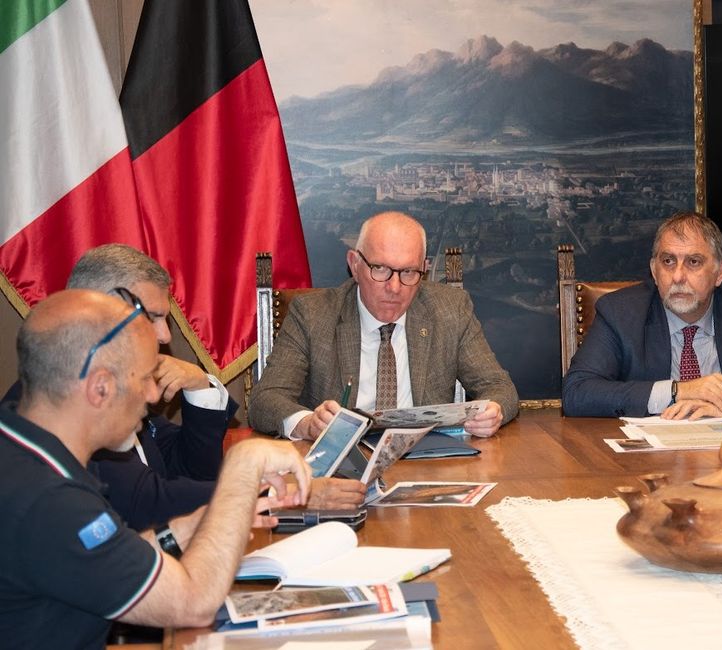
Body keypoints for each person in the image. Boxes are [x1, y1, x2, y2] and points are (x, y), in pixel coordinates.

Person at [0, 289, 312, 649]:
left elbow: (99, 560)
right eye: (145, 378)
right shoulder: (49, 500)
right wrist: (244, 466)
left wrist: (185, 527)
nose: (153, 395)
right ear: (100, 388)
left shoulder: (24, 450)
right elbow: (191, 604)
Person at [2, 244, 364, 530]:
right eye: (155, 317)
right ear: (105, 309)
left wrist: (199, 386)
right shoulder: (67, 400)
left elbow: (190, 470)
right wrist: (284, 491)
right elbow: (147, 500)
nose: (163, 336)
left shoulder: (119, 388)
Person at [248, 211, 519, 440]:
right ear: (355, 265)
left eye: (408, 272)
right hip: (343, 467)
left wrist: (493, 411)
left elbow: (499, 386)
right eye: (380, 269)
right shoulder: (313, 314)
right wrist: (307, 424)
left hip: (427, 461)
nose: (394, 287)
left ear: (424, 269)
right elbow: (266, 399)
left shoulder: (450, 309)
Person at [562, 211, 722, 419]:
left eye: (694, 262)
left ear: (720, 272)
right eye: (668, 262)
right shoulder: (619, 312)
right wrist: (680, 391)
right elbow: (578, 393)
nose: (677, 276)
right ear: (654, 271)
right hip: (647, 463)